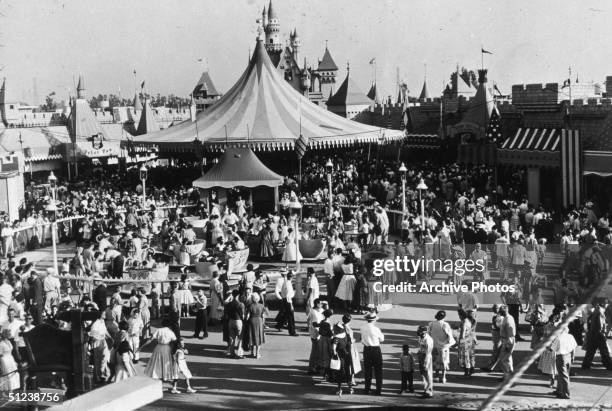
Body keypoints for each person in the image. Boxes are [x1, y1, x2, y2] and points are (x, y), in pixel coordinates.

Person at [581, 302, 612, 370]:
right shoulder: (600, 310)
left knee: (591, 350)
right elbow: (600, 323)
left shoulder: (596, 310)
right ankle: (608, 365)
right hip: (598, 333)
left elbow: (590, 320)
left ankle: (586, 365)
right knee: (604, 350)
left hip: (593, 333)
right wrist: (602, 333)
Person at [360, 312, 384, 395]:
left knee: (367, 370)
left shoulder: (362, 328)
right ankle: (378, 389)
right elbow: (382, 339)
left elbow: (361, 338)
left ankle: (367, 388)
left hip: (366, 349)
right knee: (378, 371)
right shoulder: (376, 329)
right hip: (376, 350)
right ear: (373, 320)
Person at [551, 325, 577, 399]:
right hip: (569, 356)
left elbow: (553, 349)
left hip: (561, 357)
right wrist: (573, 357)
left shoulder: (558, 338)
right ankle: (559, 390)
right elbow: (574, 347)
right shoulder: (570, 336)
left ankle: (566, 394)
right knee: (562, 375)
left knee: (563, 376)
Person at [428, 310, 454, 384]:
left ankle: (436, 376)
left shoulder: (431, 324)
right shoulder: (445, 325)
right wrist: (451, 343)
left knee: (436, 362)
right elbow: (449, 335)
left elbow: (428, 334)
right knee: (444, 362)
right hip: (444, 347)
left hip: (434, 346)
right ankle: (443, 377)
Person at [331, 321, 353, 396]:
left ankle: (339, 389)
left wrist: (334, 354)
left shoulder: (336, 338)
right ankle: (350, 387)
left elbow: (333, 349)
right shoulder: (346, 335)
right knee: (348, 372)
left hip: (340, 357)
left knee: (339, 373)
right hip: (347, 356)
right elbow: (350, 344)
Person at [538, 313, 560, 389]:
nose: (554, 321)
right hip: (547, 347)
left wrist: (552, 347)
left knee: (553, 367)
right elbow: (544, 336)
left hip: (554, 349)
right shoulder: (547, 326)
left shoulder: (558, 327)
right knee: (550, 366)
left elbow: (558, 339)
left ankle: (553, 381)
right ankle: (552, 380)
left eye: (556, 319)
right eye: (553, 319)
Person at [482, 304, 503, 372]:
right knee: (497, 351)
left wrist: (494, 322)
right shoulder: (496, 316)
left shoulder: (500, 317)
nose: (493, 309)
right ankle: (492, 367)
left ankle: (491, 367)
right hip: (496, 335)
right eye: (493, 307)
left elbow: (500, 328)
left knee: (496, 351)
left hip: (498, 335)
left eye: (496, 308)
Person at [275, 270, 296, 336]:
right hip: (288, 301)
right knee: (291, 317)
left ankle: (279, 325)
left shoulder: (286, 282)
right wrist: (291, 305)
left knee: (285, 315)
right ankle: (292, 331)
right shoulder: (288, 284)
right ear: (291, 277)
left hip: (285, 300)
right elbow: (288, 295)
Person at [498, 305, 516, 382]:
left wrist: (507, 345)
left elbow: (510, 334)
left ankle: (507, 376)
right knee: (508, 358)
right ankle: (510, 373)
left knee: (504, 359)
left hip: (507, 340)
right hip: (506, 339)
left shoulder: (508, 320)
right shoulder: (509, 317)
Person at [225, 289, 245, 359]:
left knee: (231, 338)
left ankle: (232, 353)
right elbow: (242, 315)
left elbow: (227, 314)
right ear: (238, 295)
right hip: (238, 321)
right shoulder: (241, 304)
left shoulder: (229, 304)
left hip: (231, 321)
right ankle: (239, 353)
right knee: (240, 338)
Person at [458, 309, 477, 377]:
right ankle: (472, 369)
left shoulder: (464, 322)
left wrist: (459, 343)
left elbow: (462, 335)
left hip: (465, 341)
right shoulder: (470, 321)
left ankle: (467, 373)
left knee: (465, 357)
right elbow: (472, 331)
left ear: (460, 315)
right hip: (471, 340)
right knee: (471, 355)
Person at [307, 298, 324, 374]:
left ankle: (316, 367)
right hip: (315, 334)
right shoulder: (313, 312)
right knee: (314, 352)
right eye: (321, 303)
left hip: (320, 333)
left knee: (318, 352)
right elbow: (314, 324)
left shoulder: (321, 310)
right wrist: (324, 325)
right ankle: (311, 368)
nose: (322, 304)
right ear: (317, 304)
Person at [246, 292, 265, 359]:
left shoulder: (250, 306)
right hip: (259, 321)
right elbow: (263, 315)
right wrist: (263, 323)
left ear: (252, 299)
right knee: (259, 337)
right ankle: (257, 353)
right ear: (258, 298)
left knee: (251, 336)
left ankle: (252, 353)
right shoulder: (261, 306)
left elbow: (247, 316)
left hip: (251, 321)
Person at [417, 325, 433, 399]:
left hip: (426, 357)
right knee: (422, 373)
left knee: (428, 373)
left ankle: (429, 391)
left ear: (423, 333)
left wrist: (426, 362)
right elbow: (419, 345)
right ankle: (425, 388)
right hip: (421, 355)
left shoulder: (428, 340)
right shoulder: (421, 337)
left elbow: (428, 352)